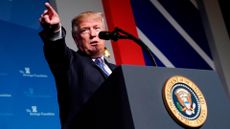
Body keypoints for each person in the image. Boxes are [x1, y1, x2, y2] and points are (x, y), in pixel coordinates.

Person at [39, 2, 116, 129]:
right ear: (76, 38)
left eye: (97, 28)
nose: (92, 34)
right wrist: (54, 30)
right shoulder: (70, 62)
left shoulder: (117, 70)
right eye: (85, 30)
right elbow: (56, 49)